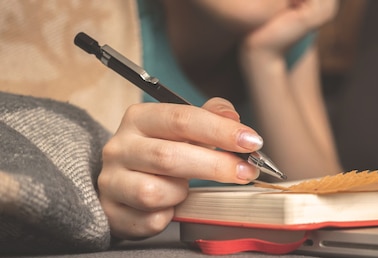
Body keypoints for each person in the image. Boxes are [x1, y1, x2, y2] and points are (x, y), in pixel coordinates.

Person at [0, 0, 343, 243]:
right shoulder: (81, 17)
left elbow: (329, 196)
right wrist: (97, 193)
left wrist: (265, 60)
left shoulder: (289, 34)